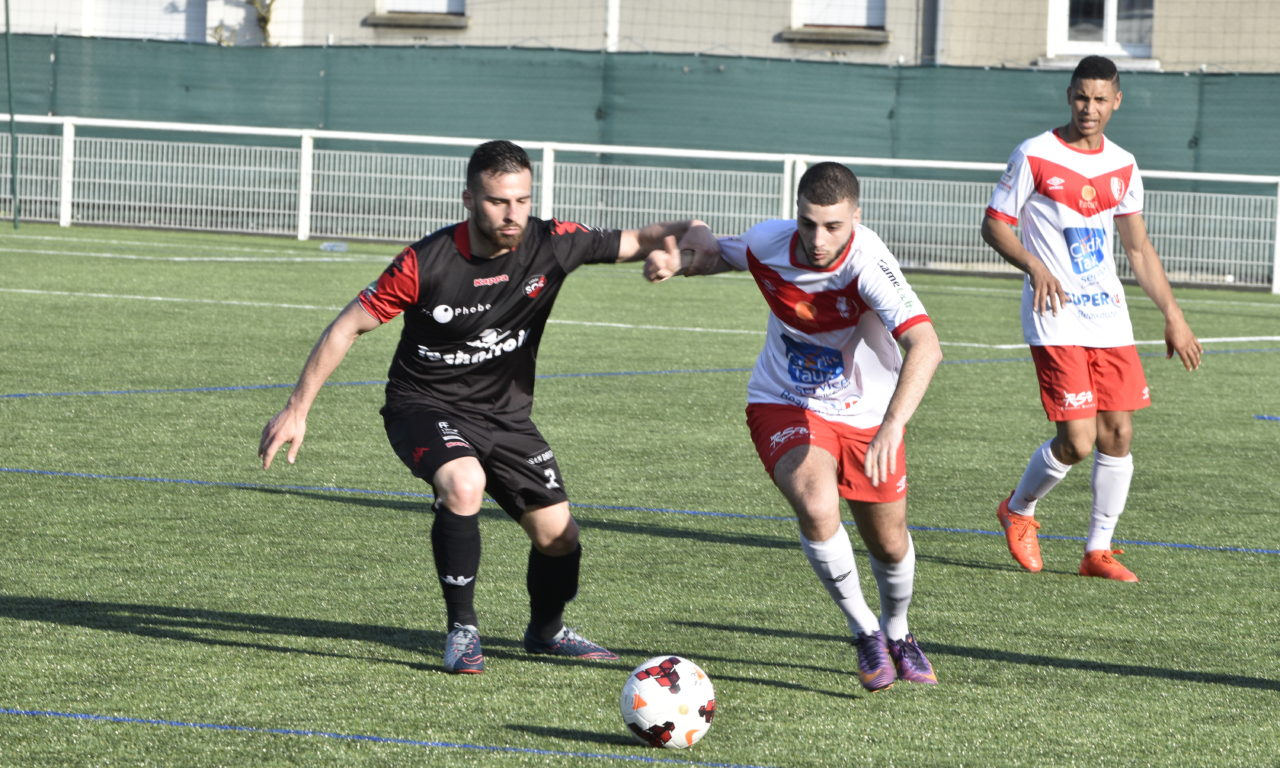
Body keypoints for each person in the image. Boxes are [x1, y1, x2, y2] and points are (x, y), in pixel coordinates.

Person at [259, 139, 714, 674]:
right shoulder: (424, 262)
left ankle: (545, 632)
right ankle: (463, 629)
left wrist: (688, 245)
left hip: (505, 416)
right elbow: (346, 327)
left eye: (522, 200)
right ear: (469, 200)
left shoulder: (553, 242)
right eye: (499, 201)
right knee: (463, 483)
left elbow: (662, 233)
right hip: (422, 404)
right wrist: (297, 408)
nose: (513, 213)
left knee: (559, 538)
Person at [646, 161, 943, 693]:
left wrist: (893, 425)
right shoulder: (769, 242)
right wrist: (681, 258)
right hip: (784, 401)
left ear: (856, 216)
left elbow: (926, 345)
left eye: (832, 226)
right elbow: (715, 252)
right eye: (808, 223)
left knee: (890, 543)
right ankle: (865, 632)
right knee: (815, 501)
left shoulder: (869, 263)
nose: (818, 238)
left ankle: (898, 633)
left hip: (870, 414)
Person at [981, 55, 1203, 582]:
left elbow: (1139, 249)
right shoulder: (1034, 154)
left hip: (1109, 317)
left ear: (1116, 101)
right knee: (1079, 441)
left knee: (1119, 434)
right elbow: (994, 226)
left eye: (1101, 99)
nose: (1090, 108)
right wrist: (1034, 265)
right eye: (1082, 97)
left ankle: (1096, 551)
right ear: (1069, 95)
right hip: (1055, 315)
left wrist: (1173, 315)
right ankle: (1019, 508)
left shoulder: (1123, 164)